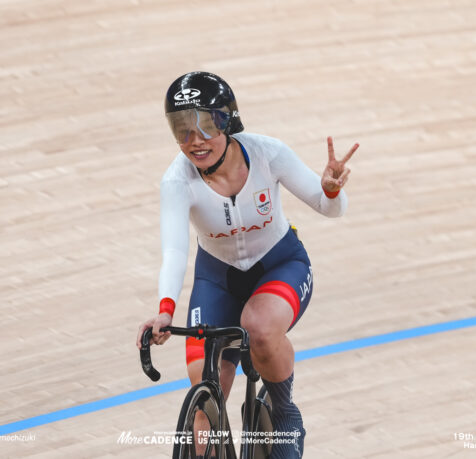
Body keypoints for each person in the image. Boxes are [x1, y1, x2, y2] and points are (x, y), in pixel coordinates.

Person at [136, 71, 358, 458]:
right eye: (181, 130)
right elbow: (174, 251)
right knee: (203, 403)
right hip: (218, 280)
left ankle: (285, 413)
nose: (194, 141)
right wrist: (164, 310)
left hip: (280, 265)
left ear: (227, 120)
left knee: (259, 327)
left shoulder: (267, 153)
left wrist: (332, 189)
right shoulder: (176, 181)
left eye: (204, 125)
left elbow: (328, 208)